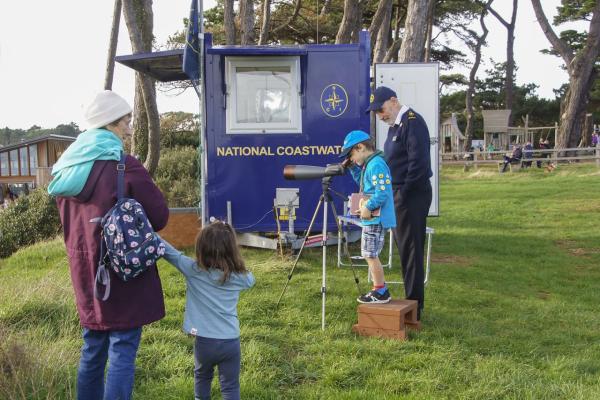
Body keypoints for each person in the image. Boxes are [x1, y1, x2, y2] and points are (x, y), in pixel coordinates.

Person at [48, 90, 169, 400]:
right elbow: (159, 216)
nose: (129, 130)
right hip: (120, 269)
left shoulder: (65, 170)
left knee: (93, 346)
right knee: (123, 348)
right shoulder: (123, 165)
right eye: (126, 122)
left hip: (84, 271)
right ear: (109, 125)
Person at [160, 221, 255, 400]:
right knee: (230, 386)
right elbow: (251, 279)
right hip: (230, 342)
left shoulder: (193, 270)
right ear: (232, 250)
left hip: (204, 342)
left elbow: (170, 253)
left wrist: (151, 235)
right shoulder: (240, 277)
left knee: (202, 378)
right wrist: (236, 265)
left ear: (201, 248)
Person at [366, 86, 432, 319]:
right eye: (375, 112)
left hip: (411, 195)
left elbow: (419, 165)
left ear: (393, 101)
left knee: (412, 250)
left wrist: (402, 195)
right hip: (399, 194)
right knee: (405, 250)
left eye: (381, 109)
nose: (379, 115)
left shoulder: (412, 122)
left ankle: (414, 307)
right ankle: (411, 303)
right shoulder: (395, 126)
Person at [339, 130, 396, 304]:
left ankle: (380, 291)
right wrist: (352, 168)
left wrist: (368, 207)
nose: (352, 158)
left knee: (370, 254)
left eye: (352, 154)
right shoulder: (368, 165)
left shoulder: (376, 164)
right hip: (371, 218)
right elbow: (364, 184)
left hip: (375, 217)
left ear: (360, 147)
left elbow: (383, 192)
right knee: (368, 253)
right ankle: (379, 289)